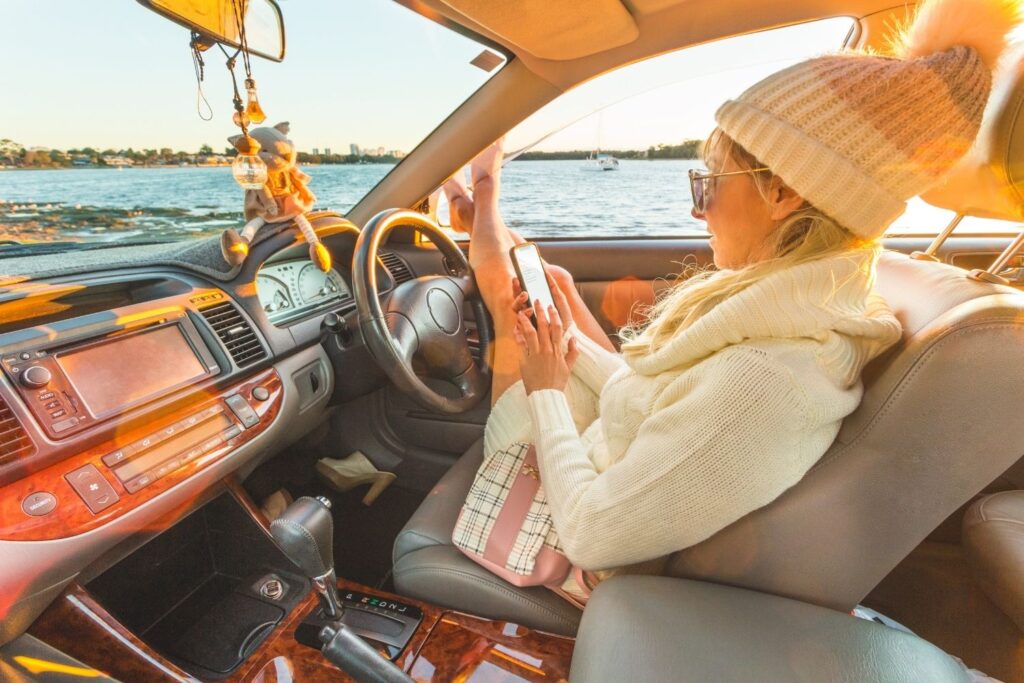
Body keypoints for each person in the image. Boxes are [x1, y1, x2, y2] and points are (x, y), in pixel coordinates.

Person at [446, 0, 1019, 595]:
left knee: (506, 301)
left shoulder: (768, 379)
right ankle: (484, 205)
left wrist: (544, 386)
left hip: (581, 554)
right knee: (540, 293)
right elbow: (663, 405)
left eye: (710, 183)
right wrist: (569, 347)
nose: (699, 209)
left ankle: (483, 196)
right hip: (610, 461)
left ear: (782, 192)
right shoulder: (799, 298)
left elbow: (592, 534)